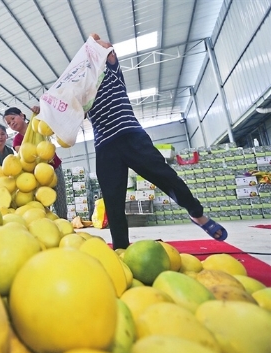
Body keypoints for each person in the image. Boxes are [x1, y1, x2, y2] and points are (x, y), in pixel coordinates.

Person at [86, 33, 227, 250]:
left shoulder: (111, 72)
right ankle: (121, 249)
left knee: (166, 177)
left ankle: (197, 214)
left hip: (131, 136)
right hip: (105, 148)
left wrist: (92, 44)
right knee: (113, 202)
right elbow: (64, 115)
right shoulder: (82, 93)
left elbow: (108, 49)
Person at [3, 106, 67, 220]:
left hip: (54, 166)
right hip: (36, 175)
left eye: (13, 118)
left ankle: (64, 221)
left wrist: (40, 112)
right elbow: (26, 157)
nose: (11, 123)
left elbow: (51, 121)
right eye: (8, 123)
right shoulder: (17, 140)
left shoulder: (38, 124)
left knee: (60, 198)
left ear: (22, 115)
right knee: (43, 203)